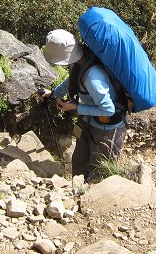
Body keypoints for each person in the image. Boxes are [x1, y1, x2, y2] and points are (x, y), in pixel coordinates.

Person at [41, 29, 127, 183]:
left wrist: (75, 108)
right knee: (79, 163)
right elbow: (73, 79)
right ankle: (75, 192)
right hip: (89, 121)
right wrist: (54, 94)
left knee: (99, 172)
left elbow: (108, 110)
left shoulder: (93, 78)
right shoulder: (80, 62)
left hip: (107, 129)